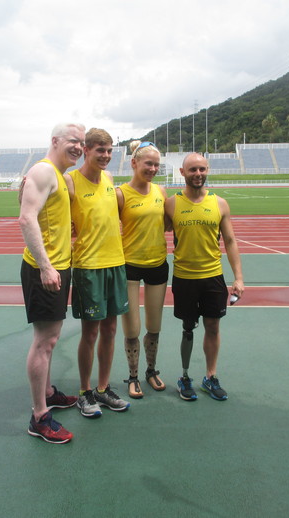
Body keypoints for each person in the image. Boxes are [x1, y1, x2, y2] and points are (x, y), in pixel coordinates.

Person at [19, 122, 85, 443]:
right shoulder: (44, 171)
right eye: (73, 141)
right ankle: (39, 416)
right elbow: (26, 218)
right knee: (44, 342)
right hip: (45, 269)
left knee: (52, 339)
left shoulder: (58, 176)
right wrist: (46, 267)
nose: (79, 147)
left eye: (82, 143)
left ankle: (47, 392)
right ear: (55, 140)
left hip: (59, 266)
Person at [164, 153, 244, 401]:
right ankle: (185, 377)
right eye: (192, 170)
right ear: (182, 172)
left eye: (201, 169)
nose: (197, 174)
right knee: (188, 328)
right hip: (185, 278)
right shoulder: (171, 204)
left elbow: (230, 241)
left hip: (213, 276)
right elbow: (155, 228)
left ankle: (210, 376)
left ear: (207, 169)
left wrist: (238, 278)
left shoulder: (220, 203)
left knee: (213, 326)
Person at [64, 128, 131, 418]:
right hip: (88, 267)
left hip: (115, 263)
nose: (105, 156)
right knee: (90, 333)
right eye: (99, 150)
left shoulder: (109, 179)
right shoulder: (70, 181)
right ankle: (84, 392)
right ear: (86, 150)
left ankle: (103, 389)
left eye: (109, 151)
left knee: (111, 330)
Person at [116, 141, 169, 399]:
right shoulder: (120, 194)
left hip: (158, 264)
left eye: (157, 164)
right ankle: (133, 376)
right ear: (134, 163)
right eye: (148, 163)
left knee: (154, 324)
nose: (153, 168)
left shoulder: (161, 191)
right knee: (132, 328)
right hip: (129, 266)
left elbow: (171, 223)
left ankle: (151, 370)